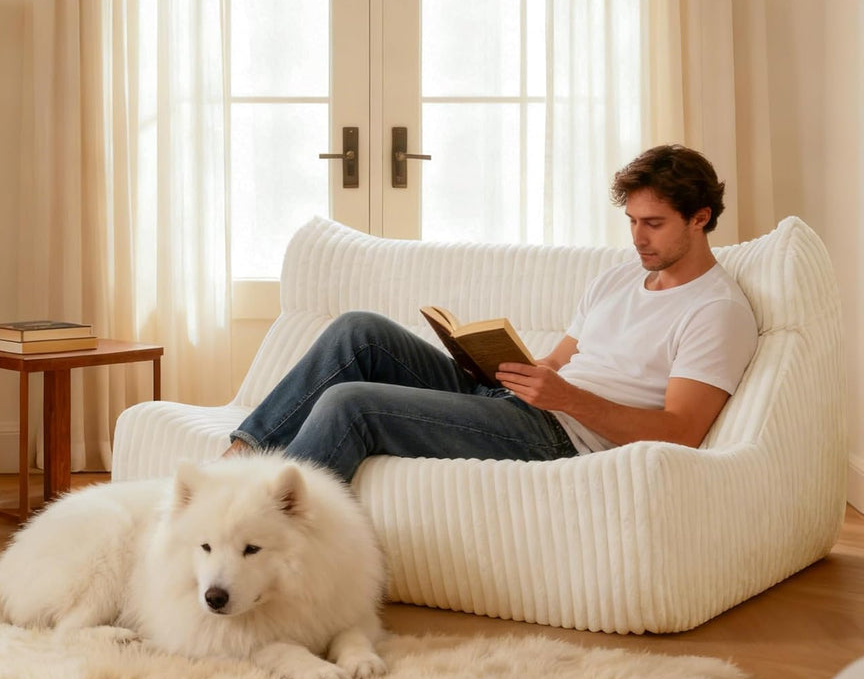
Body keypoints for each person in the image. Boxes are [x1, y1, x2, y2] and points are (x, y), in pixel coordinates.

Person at [222, 144, 760, 482]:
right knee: (358, 331)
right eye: (632, 221)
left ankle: (267, 535)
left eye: (654, 223)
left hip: (556, 439)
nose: (638, 237)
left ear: (700, 218)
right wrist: (503, 363)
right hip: (517, 403)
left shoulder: (716, 311)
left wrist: (565, 397)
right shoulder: (618, 279)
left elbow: (681, 432)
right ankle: (239, 461)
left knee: (350, 404)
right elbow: (555, 364)